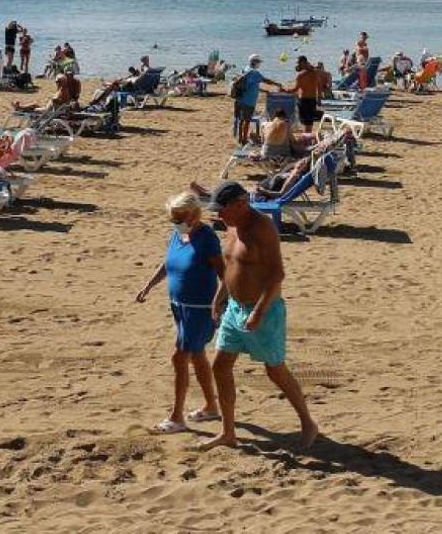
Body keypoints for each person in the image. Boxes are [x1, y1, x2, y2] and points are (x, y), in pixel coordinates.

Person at [199, 181, 318, 451]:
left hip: (264, 311)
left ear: (240, 205)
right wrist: (220, 296)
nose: (219, 216)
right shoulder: (231, 225)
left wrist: (258, 312)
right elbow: (231, 265)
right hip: (234, 308)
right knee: (220, 366)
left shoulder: (262, 228)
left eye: (223, 210)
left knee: (275, 371)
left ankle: (308, 423)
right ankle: (228, 432)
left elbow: (277, 275)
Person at [134, 192, 225, 434]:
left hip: (200, 309)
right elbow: (168, 263)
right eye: (173, 219)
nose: (176, 222)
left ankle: (177, 417)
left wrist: (220, 301)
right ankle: (211, 406)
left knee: (179, 357)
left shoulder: (207, 238)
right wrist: (149, 285)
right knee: (196, 356)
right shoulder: (178, 234)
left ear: (194, 214)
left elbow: (224, 274)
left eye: (179, 218)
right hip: (179, 306)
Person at [232, 54, 281, 146]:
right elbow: (265, 80)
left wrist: (265, 90)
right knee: (247, 121)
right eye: (259, 62)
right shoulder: (254, 73)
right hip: (248, 101)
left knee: (241, 120)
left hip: (240, 99)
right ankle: (244, 140)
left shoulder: (245, 69)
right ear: (255, 62)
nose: (259, 64)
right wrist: (277, 84)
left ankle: (240, 138)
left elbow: (252, 86)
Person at [286, 55, 324, 132]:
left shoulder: (301, 75)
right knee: (309, 123)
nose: (296, 65)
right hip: (313, 100)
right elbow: (319, 87)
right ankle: (308, 139)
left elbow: (295, 89)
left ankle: (306, 139)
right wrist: (319, 99)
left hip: (303, 100)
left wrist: (284, 90)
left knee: (304, 123)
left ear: (303, 63)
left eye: (297, 63)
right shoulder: (316, 73)